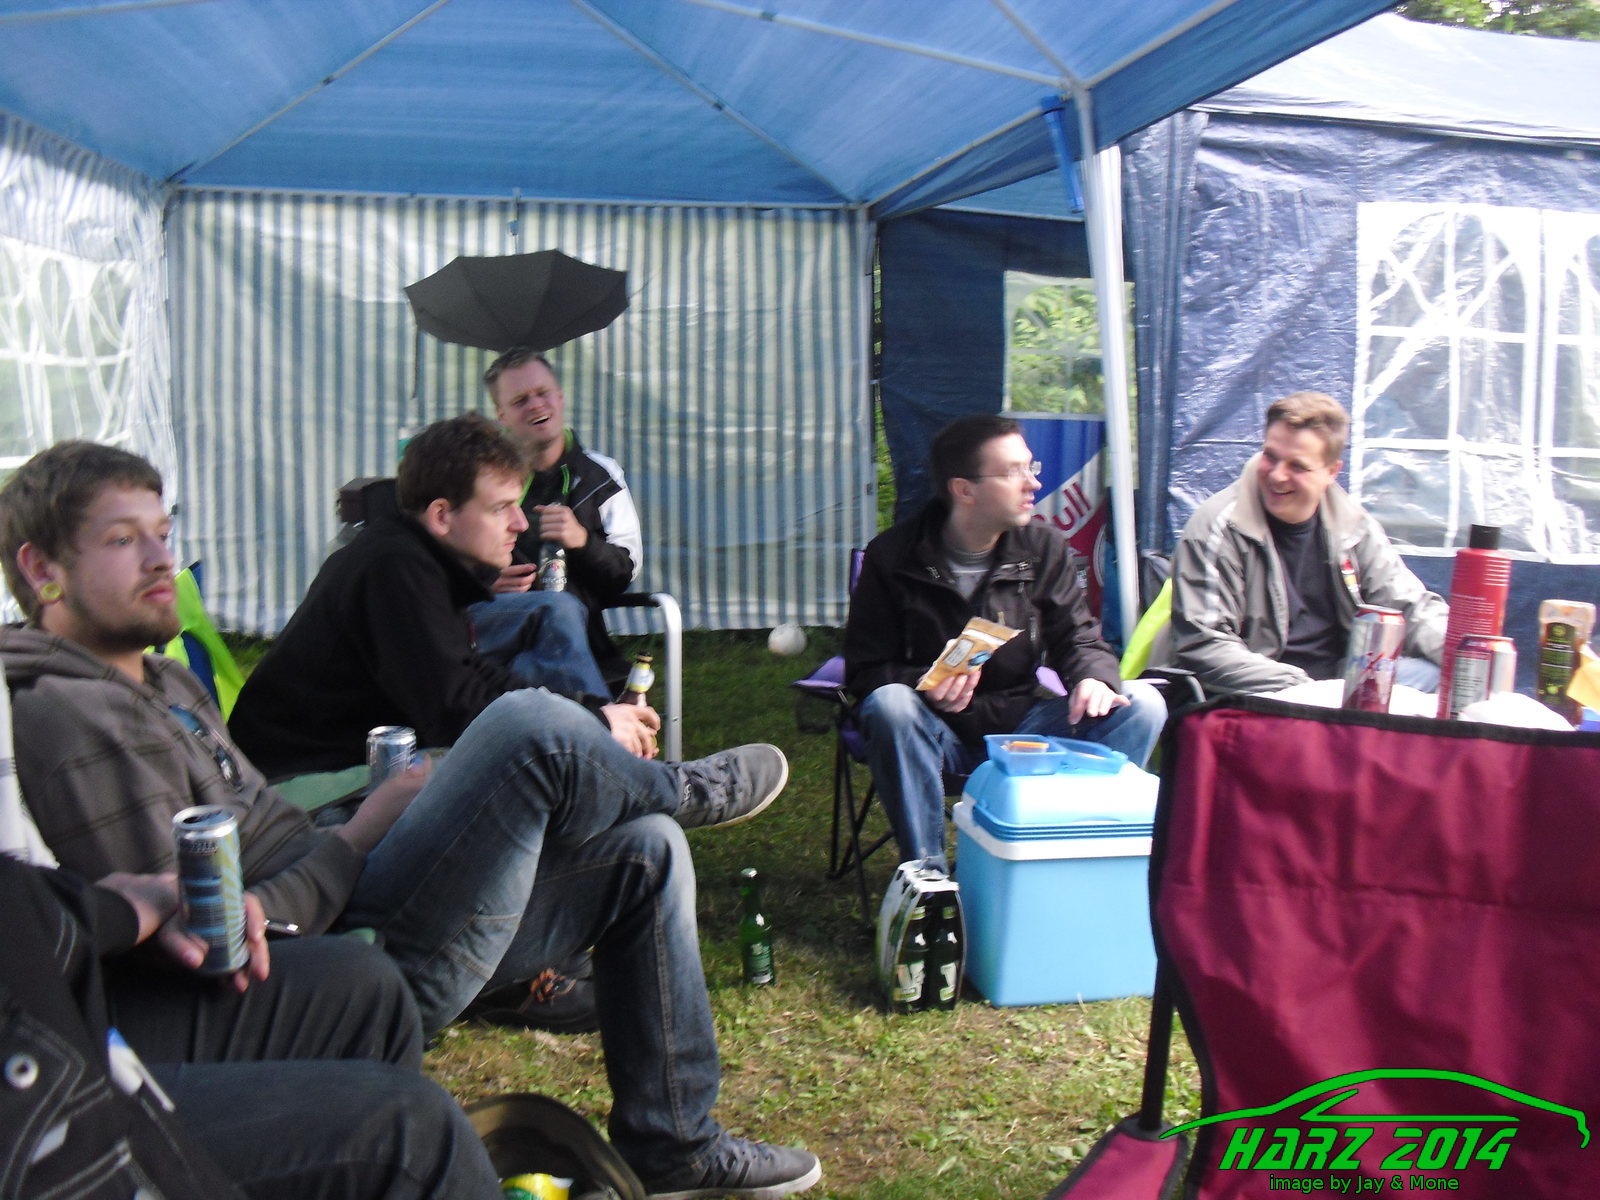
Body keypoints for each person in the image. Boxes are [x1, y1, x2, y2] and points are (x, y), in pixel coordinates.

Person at [0, 439, 821, 1200]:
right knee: (526, 726)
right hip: (337, 946)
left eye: (162, 531)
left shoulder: (163, 682)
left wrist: (375, 818)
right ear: (41, 569)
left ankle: (674, 1143)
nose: (161, 557)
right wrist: (365, 829)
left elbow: (272, 832)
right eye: (123, 540)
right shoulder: (68, 719)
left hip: (349, 876)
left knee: (646, 850)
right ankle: (684, 787)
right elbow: (217, 943)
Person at [844, 414, 1165, 871]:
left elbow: (1078, 637)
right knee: (891, 705)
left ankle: (1068, 855)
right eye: (1014, 472)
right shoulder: (893, 557)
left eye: (1031, 467)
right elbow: (865, 669)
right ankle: (928, 879)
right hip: (934, 733)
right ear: (964, 489)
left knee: (1143, 704)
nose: (1033, 483)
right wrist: (923, 684)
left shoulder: (1042, 547)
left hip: (1025, 729)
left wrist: (1093, 677)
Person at [1170, 390, 1447, 696]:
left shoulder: (1354, 527)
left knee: (1439, 677)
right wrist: (1304, 691)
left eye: (1297, 466)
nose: (1277, 476)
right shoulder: (1218, 528)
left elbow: (1410, 607)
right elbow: (1205, 643)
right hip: (1255, 694)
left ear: (1331, 471)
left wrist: (1464, 655)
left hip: (1339, 685)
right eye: (1270, 457)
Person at [478, 347, 645, 693]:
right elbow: (444, 562)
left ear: (560, 396)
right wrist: (484, 583)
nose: (536, 405)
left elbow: (624, 574)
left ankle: (594, 716)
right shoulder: (480, 481)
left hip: (576, 644)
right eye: (521, 400)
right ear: (501, 415)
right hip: (494, 637)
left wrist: (582, 542)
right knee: (531, 657)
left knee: (532, 663)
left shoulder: (600, 476)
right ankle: (604, 718)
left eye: (542, 393)